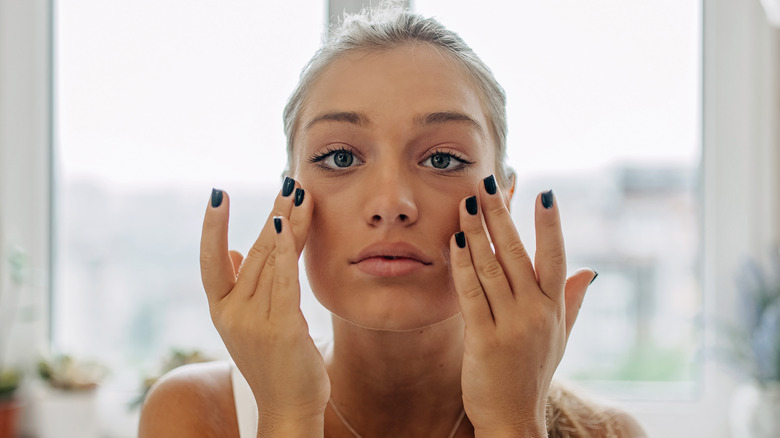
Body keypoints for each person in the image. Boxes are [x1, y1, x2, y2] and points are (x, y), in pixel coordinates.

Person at [139, 5, 647, 437]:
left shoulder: (608, 432)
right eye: (340, 157)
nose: (391, 203)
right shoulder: (197, 415)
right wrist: (288, 416)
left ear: (503, 198)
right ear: (290, 199)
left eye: (443, 159)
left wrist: (512, 422)